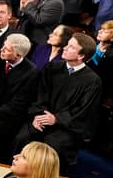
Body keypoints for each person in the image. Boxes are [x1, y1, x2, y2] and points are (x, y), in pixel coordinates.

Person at [15, 32, 103, 167]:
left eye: (72, 47)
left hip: (66, 127)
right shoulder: (52, 68)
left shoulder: (92, 81)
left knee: (53, 145)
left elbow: (83, 111)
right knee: (23, 137)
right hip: (41, 118)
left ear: (81, 56)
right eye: (67, 45)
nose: (65, 48)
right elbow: (39, 94)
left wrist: (56, 119)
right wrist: (39, 115)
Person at [90, 20, 113, 97]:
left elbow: (103, 76)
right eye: (101, 29)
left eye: (105, 32)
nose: (99, 32)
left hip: (98, 84)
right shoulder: (95, 42)